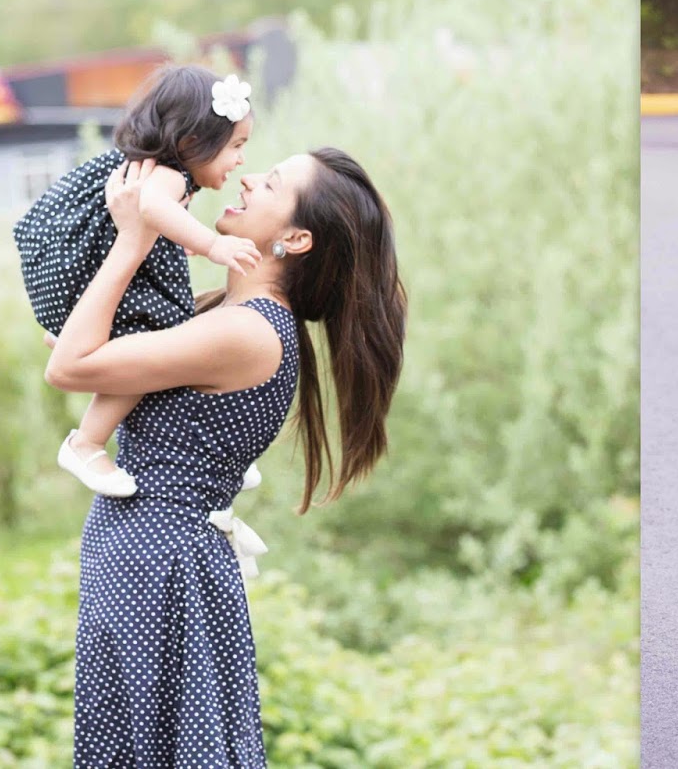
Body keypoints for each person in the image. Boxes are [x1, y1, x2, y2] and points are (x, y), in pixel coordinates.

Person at [43, 149, 407, 764]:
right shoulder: (225, 314)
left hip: (159, 567)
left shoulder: (246, 332)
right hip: (152, 559)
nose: (248, 176)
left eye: (273, 182)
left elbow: (68, 368)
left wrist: (136, 239)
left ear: (295, 238)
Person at [14, 64, 263, 497]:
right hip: (80, 275)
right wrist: (211, 245)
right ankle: (86, 441)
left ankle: (212, 453)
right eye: (235, 146)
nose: (241, 160)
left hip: (69, 274)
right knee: (162, 336)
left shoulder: (157, 172)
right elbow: (152, 208)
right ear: (191, 142)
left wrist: (178, 238)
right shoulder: (165, 175)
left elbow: (158, 217)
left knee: (162, 352)